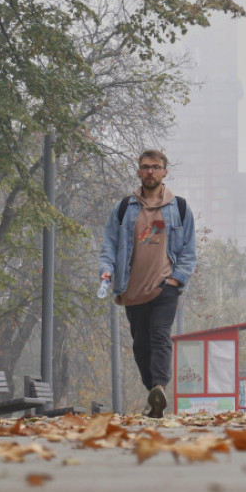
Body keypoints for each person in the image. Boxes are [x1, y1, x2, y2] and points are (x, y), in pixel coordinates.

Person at [98, 150, 196, 418]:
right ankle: (154, 394)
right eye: (145, 167)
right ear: (139, 172)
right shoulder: (124, 208)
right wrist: (106, 271)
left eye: (156, 167)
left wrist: (176, 279)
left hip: (165, 286)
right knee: (141, 344)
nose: (150, 171)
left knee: (159, 334)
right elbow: (110, 245)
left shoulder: (180, 207)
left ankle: (159, 386)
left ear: (165, 171)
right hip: (132, 289)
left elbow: (188, 250)